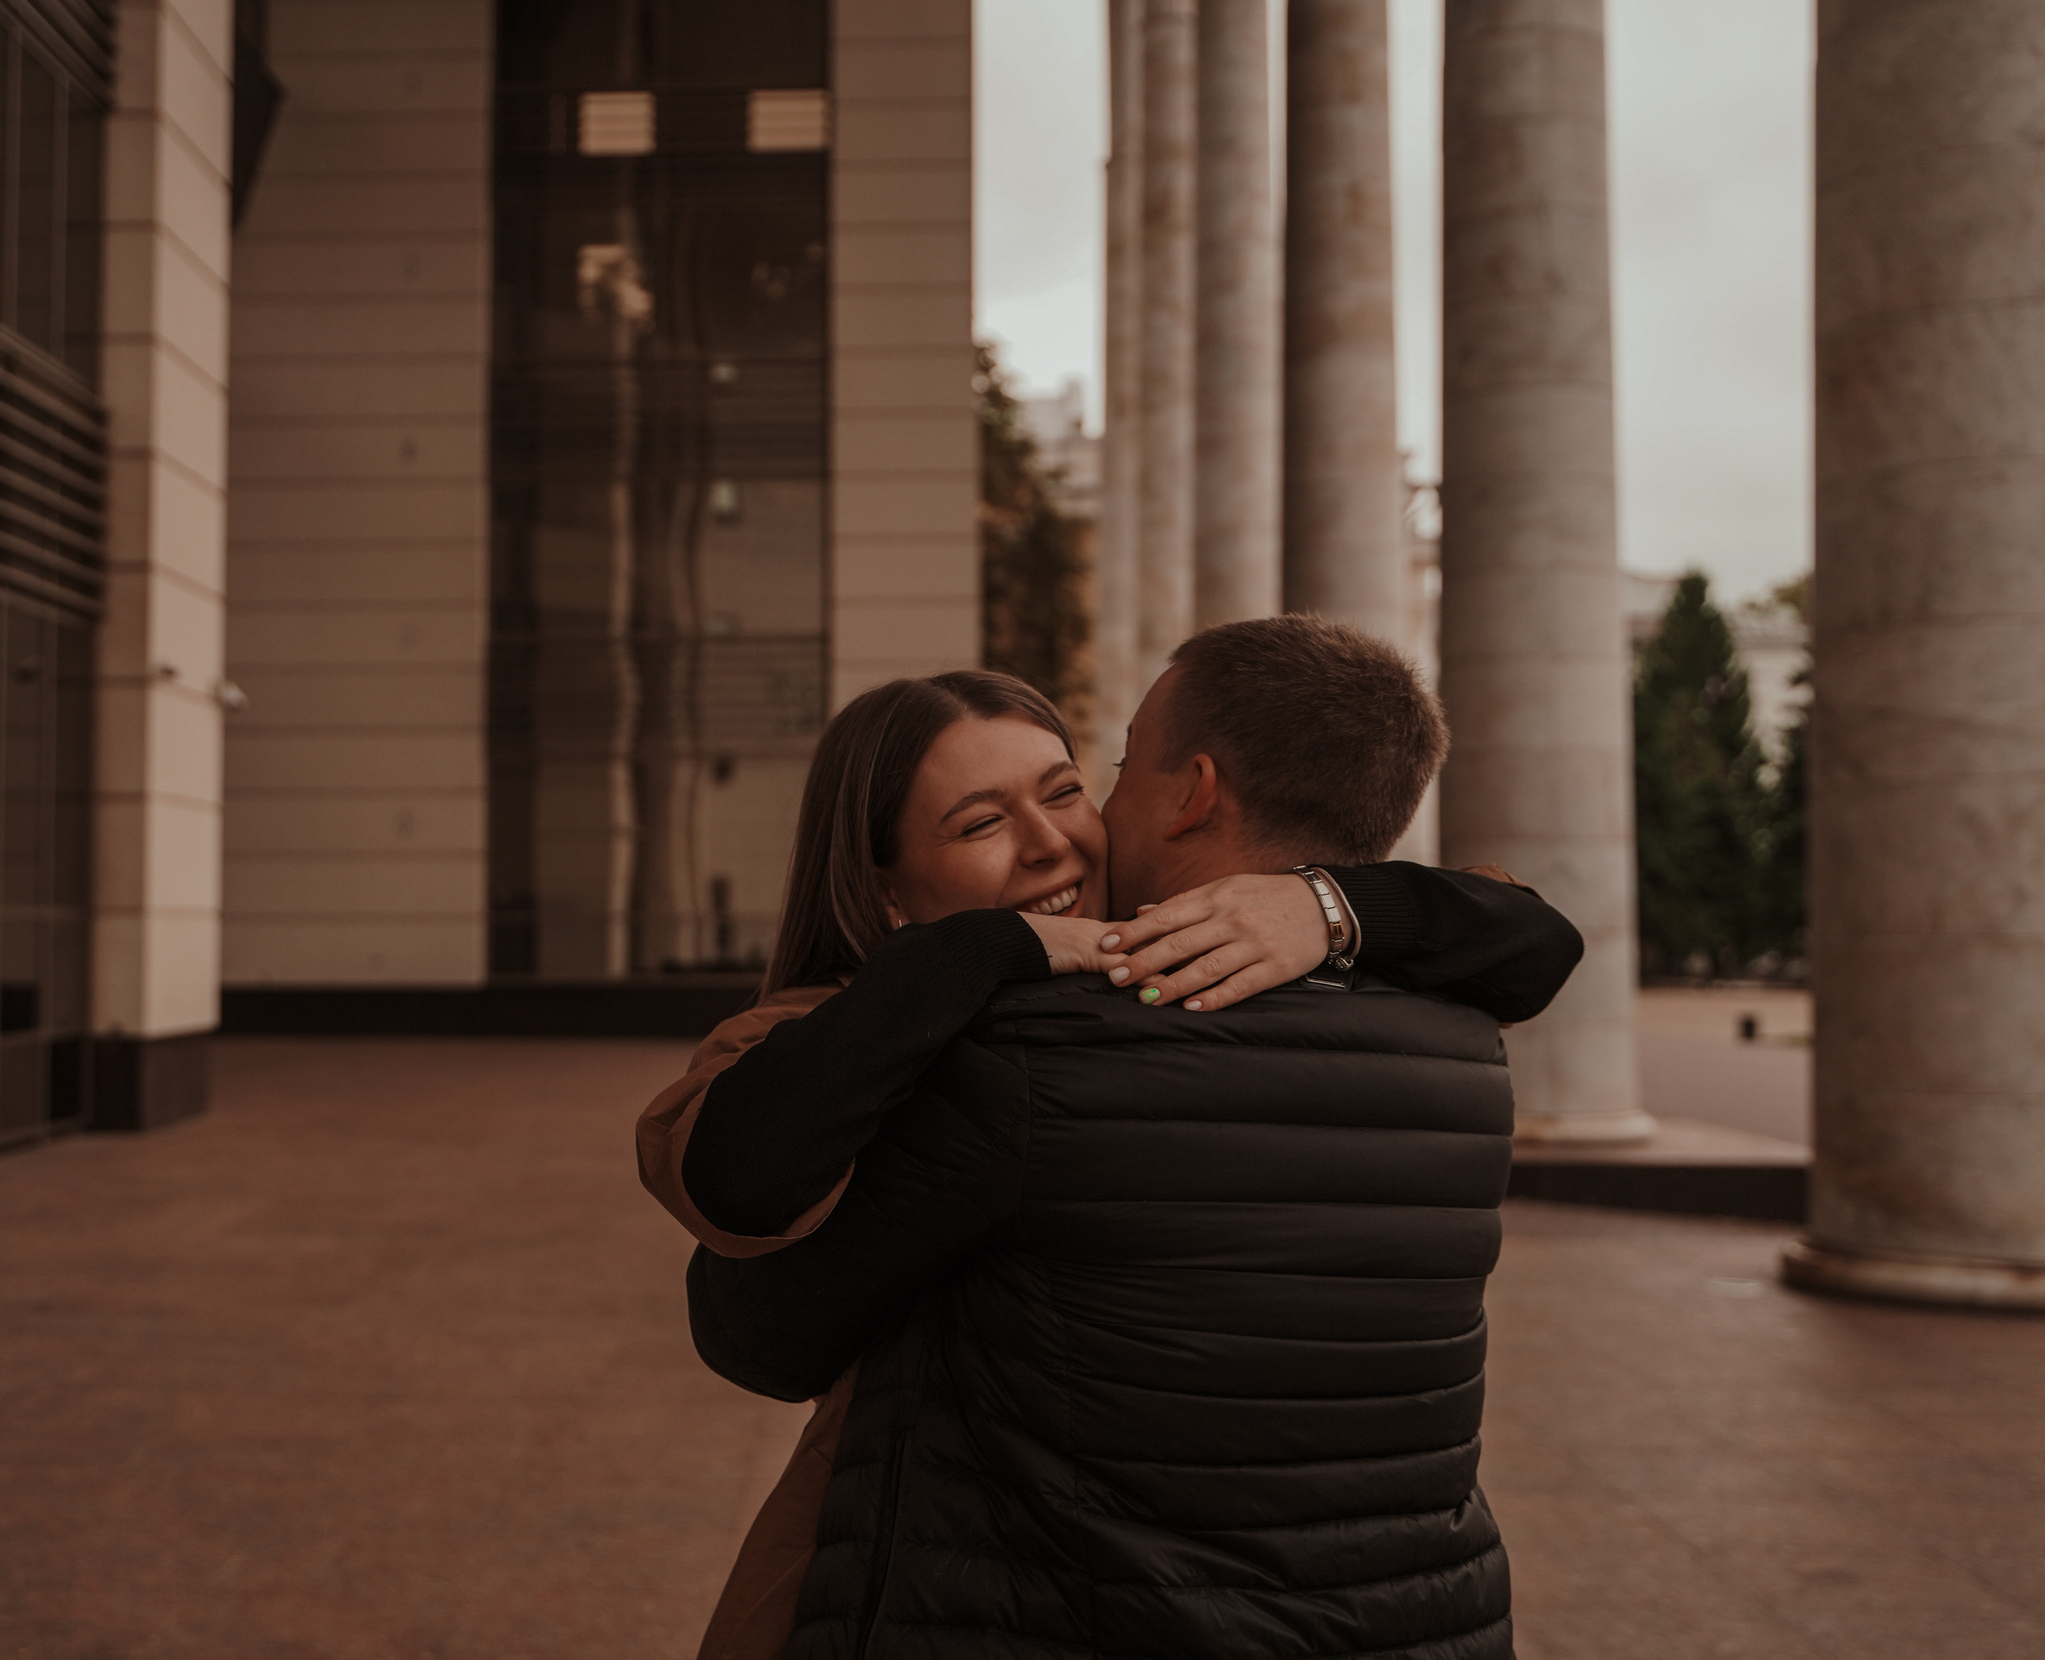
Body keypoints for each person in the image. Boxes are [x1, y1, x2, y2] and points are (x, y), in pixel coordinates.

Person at [638, 652, 1581, 1657]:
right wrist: (987, 951)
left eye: (1071, 788)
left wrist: (1321, 905)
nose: (1052, 843)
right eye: (980, 821)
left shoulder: (1036, 1052)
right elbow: (1528, 942)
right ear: (882, 891)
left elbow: (757, 1333)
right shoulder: (1454, 1035)